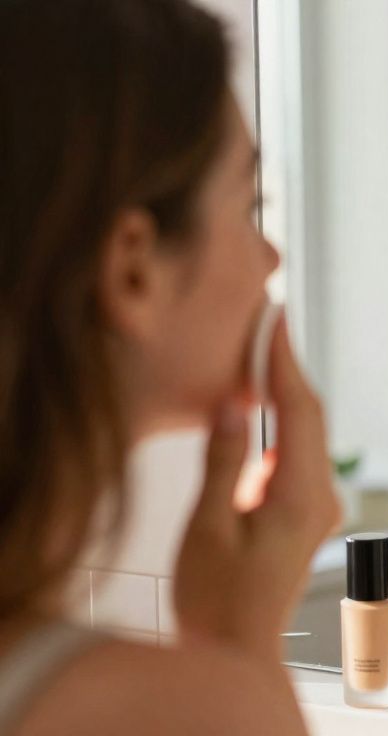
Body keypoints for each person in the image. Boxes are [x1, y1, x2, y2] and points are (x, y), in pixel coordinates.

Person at [0, 1, 340, 733]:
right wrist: (238, 644)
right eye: (248, 204)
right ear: (132, 270)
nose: (271, 258)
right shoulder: (175, 710)